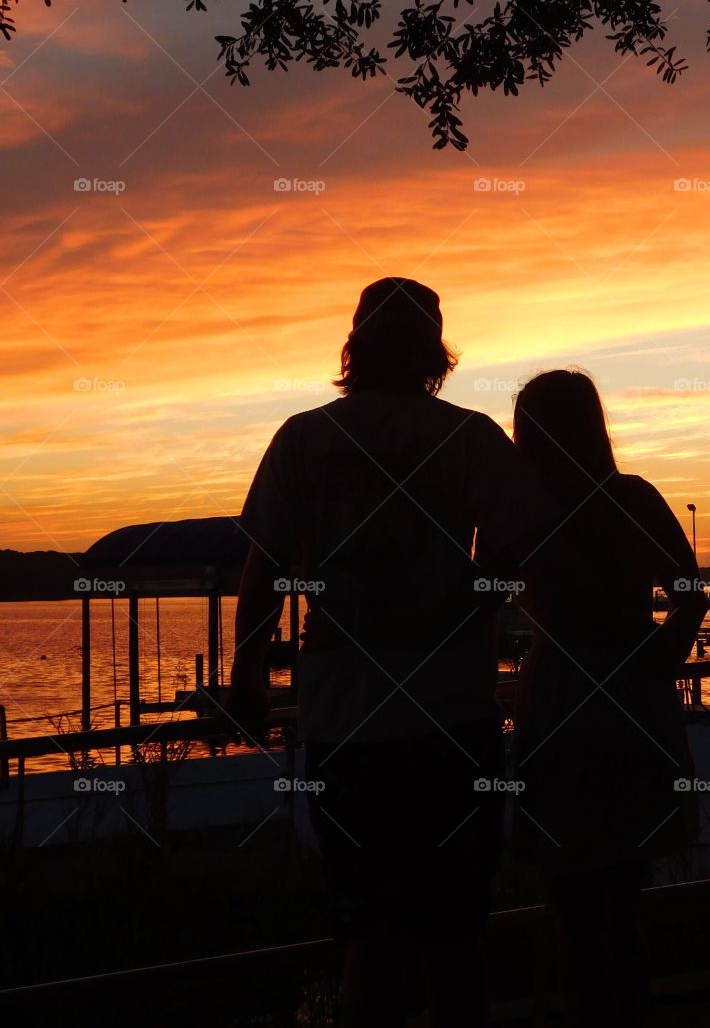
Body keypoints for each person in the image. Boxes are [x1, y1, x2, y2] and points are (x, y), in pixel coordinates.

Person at [227, 278, 555, 1028]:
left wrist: (246, 678)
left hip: (344, 722)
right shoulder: (470, 438)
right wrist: (462, 603)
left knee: (369, 935)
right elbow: (524, 554)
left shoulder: (303, 438)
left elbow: (263, 571)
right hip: (452, 715)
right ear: (435, 352)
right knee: (455, 937)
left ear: (354, 346)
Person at [511, 368, 707, 1028]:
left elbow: (474, 599)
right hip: (632, 696)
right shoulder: (634, 497)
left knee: (571, 898)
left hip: (560, 696)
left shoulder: (524, 511)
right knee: (623, 897)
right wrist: (656, 660)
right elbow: (691, 594)